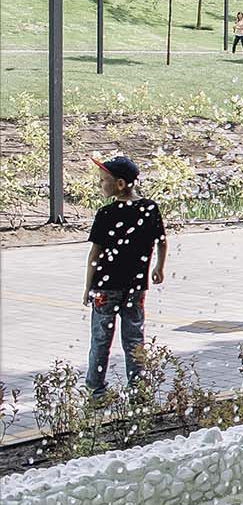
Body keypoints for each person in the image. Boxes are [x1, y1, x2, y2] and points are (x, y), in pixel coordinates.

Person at [84, 156, 167, 395]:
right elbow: (162, 241)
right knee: (134, 339)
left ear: (120, 184)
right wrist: (158, 267)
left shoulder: (106, 214)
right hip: (135, 287)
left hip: (105, 288)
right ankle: (138, 389)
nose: (100, 185)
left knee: (101, 339)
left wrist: (87, 287)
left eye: (103, 181)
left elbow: (95, 254)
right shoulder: (149, 208)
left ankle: (95, 388)